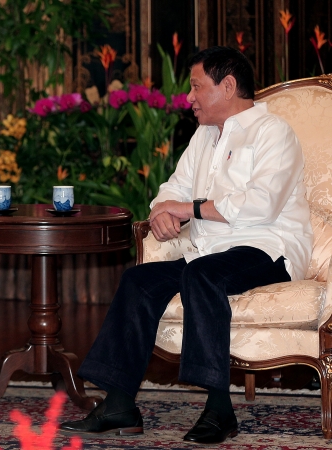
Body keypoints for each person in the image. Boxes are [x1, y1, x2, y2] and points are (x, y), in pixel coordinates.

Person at [60, 46, 313, 444]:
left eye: (196, 86)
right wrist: (162, 209)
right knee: (138, 281)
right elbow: (172, 188)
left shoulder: (272, 132)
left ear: (227, 86)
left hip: (268, 248)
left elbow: (261, 205)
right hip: (208, 253)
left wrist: (187, 208)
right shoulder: (203, 137)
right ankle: (120, 403)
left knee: (202, 275)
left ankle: (219, 409)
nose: (189, 97)